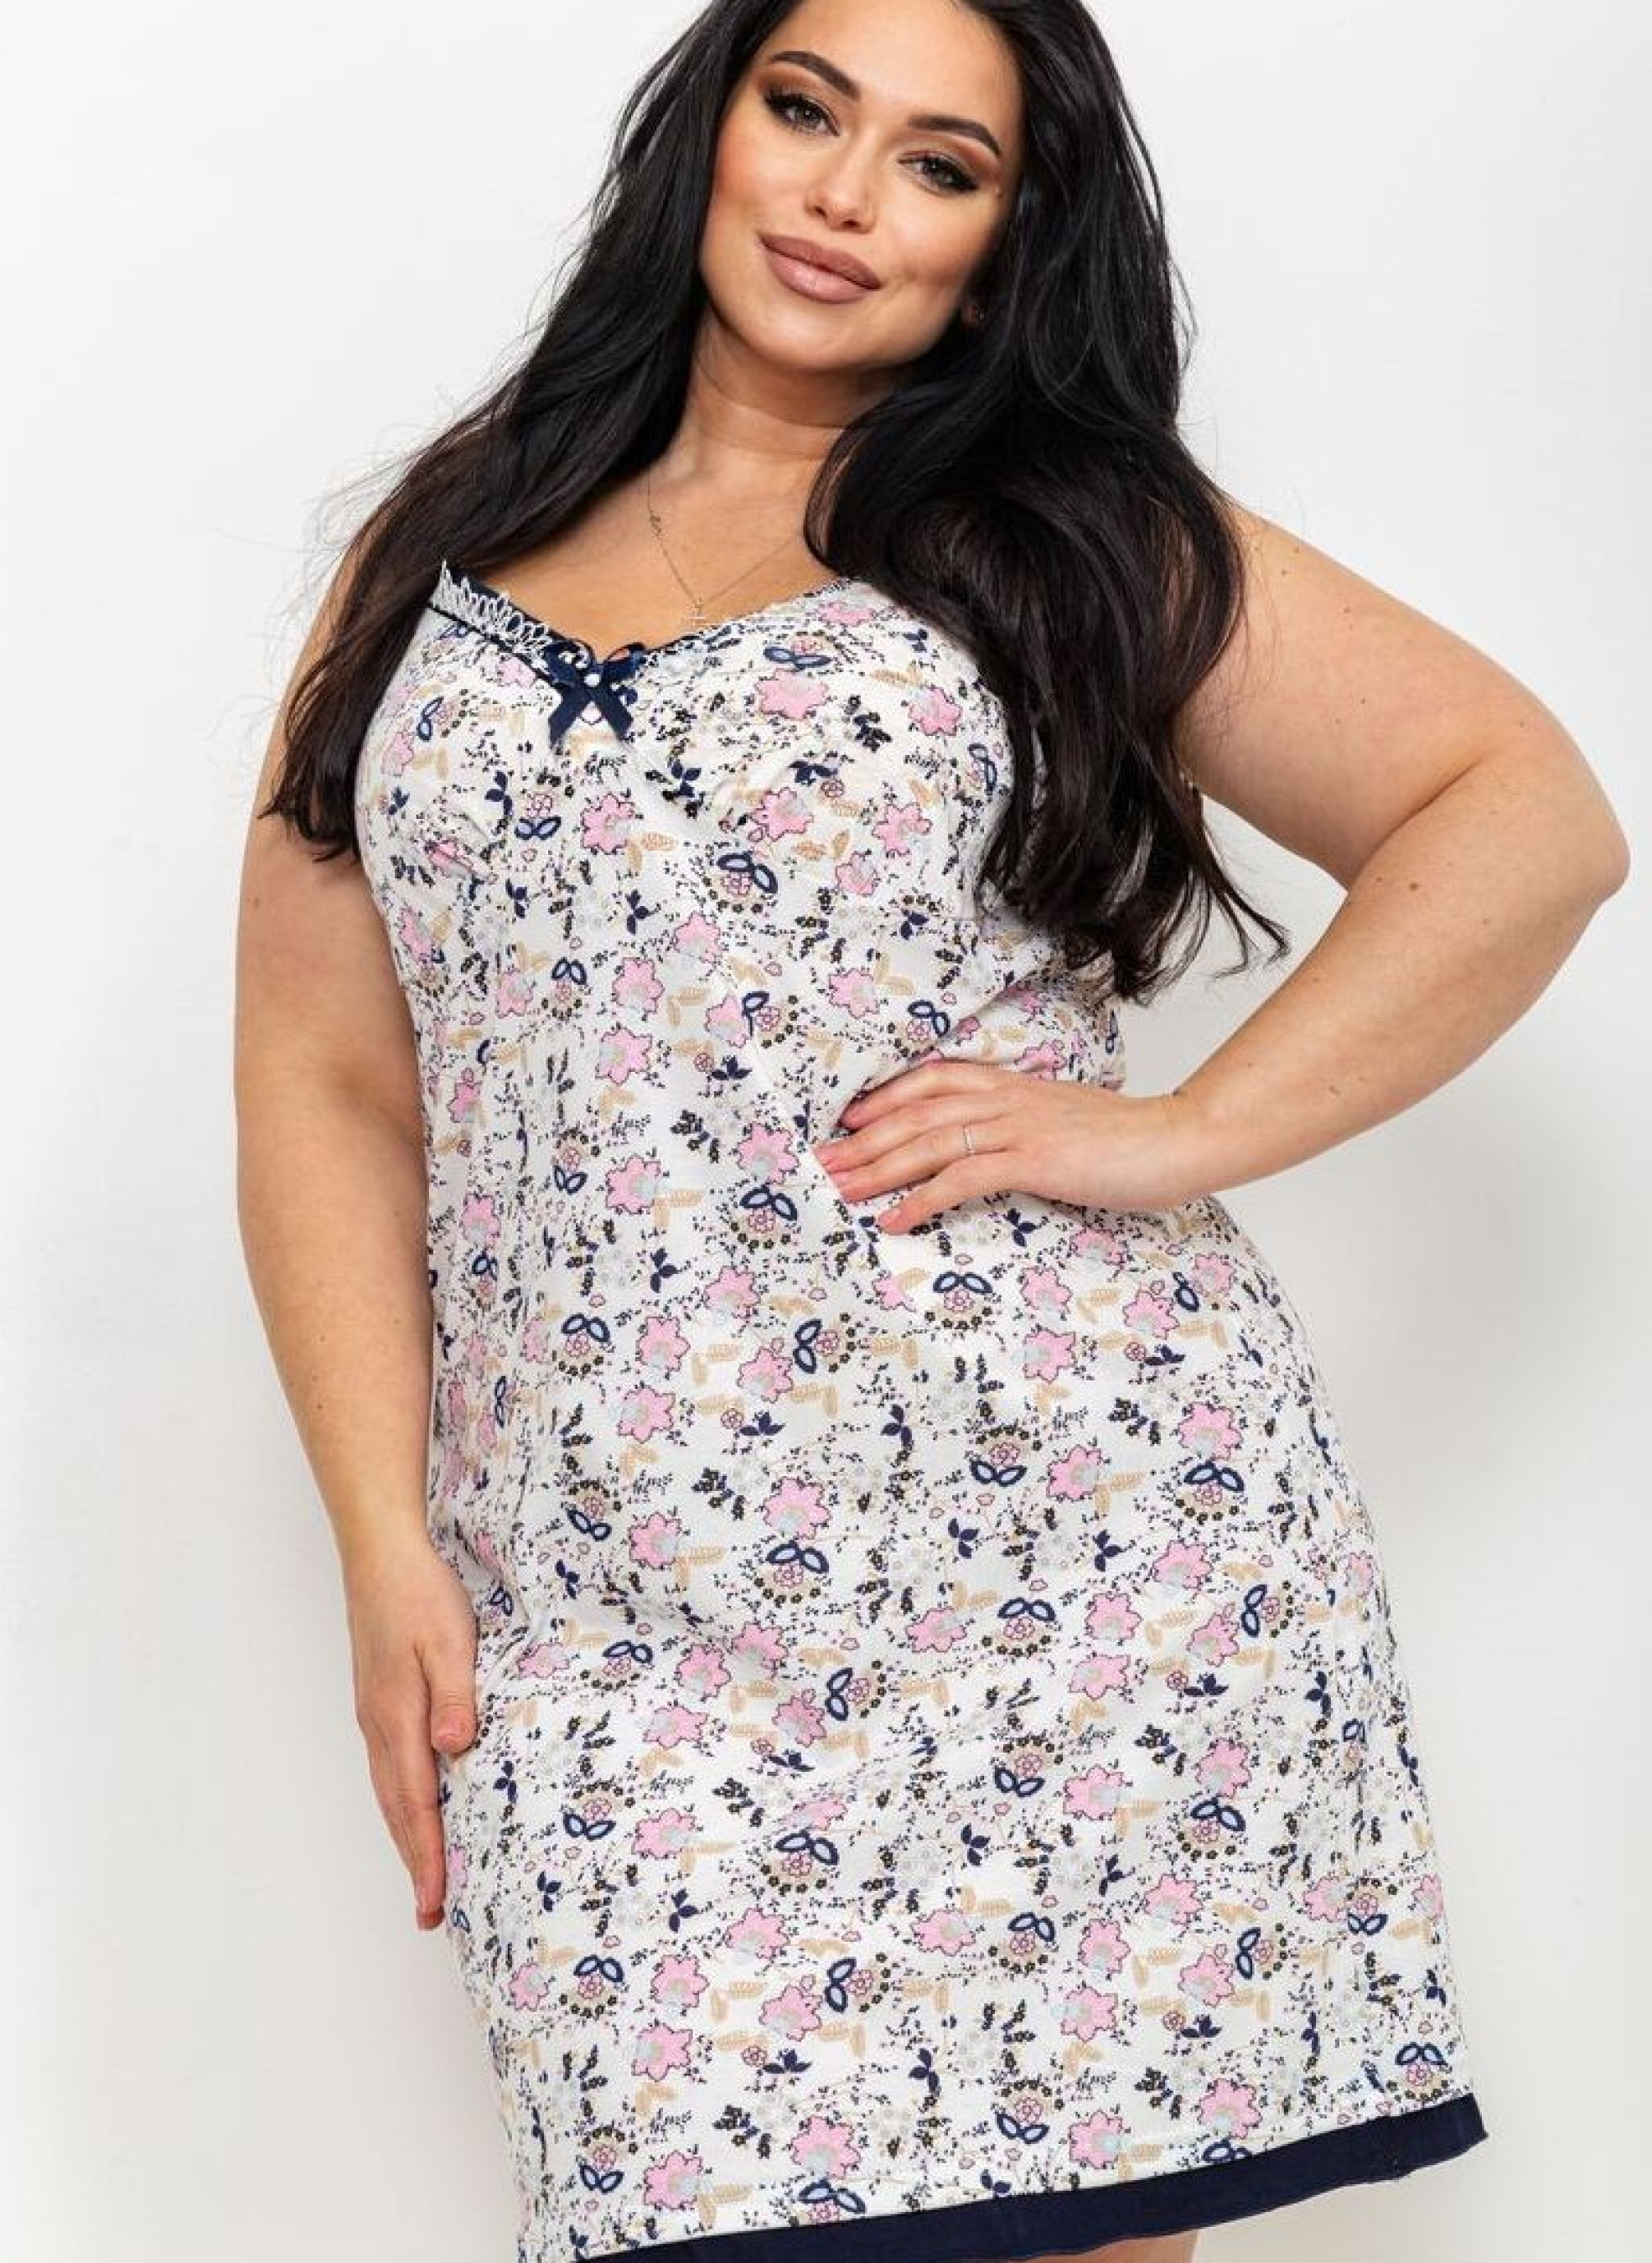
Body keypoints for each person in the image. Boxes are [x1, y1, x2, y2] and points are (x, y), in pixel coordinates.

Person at [232, 3, 1627, 2259]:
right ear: (710, 127)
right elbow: (326, 1073)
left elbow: (1522, 817)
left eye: (939, 162)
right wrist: (381, 1540)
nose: (842, 194)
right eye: (804, 109)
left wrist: (1178, 1132)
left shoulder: (1058, 535)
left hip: (1065, 1563)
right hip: (597, 1602)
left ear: (1004, 239)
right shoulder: (445, 541)